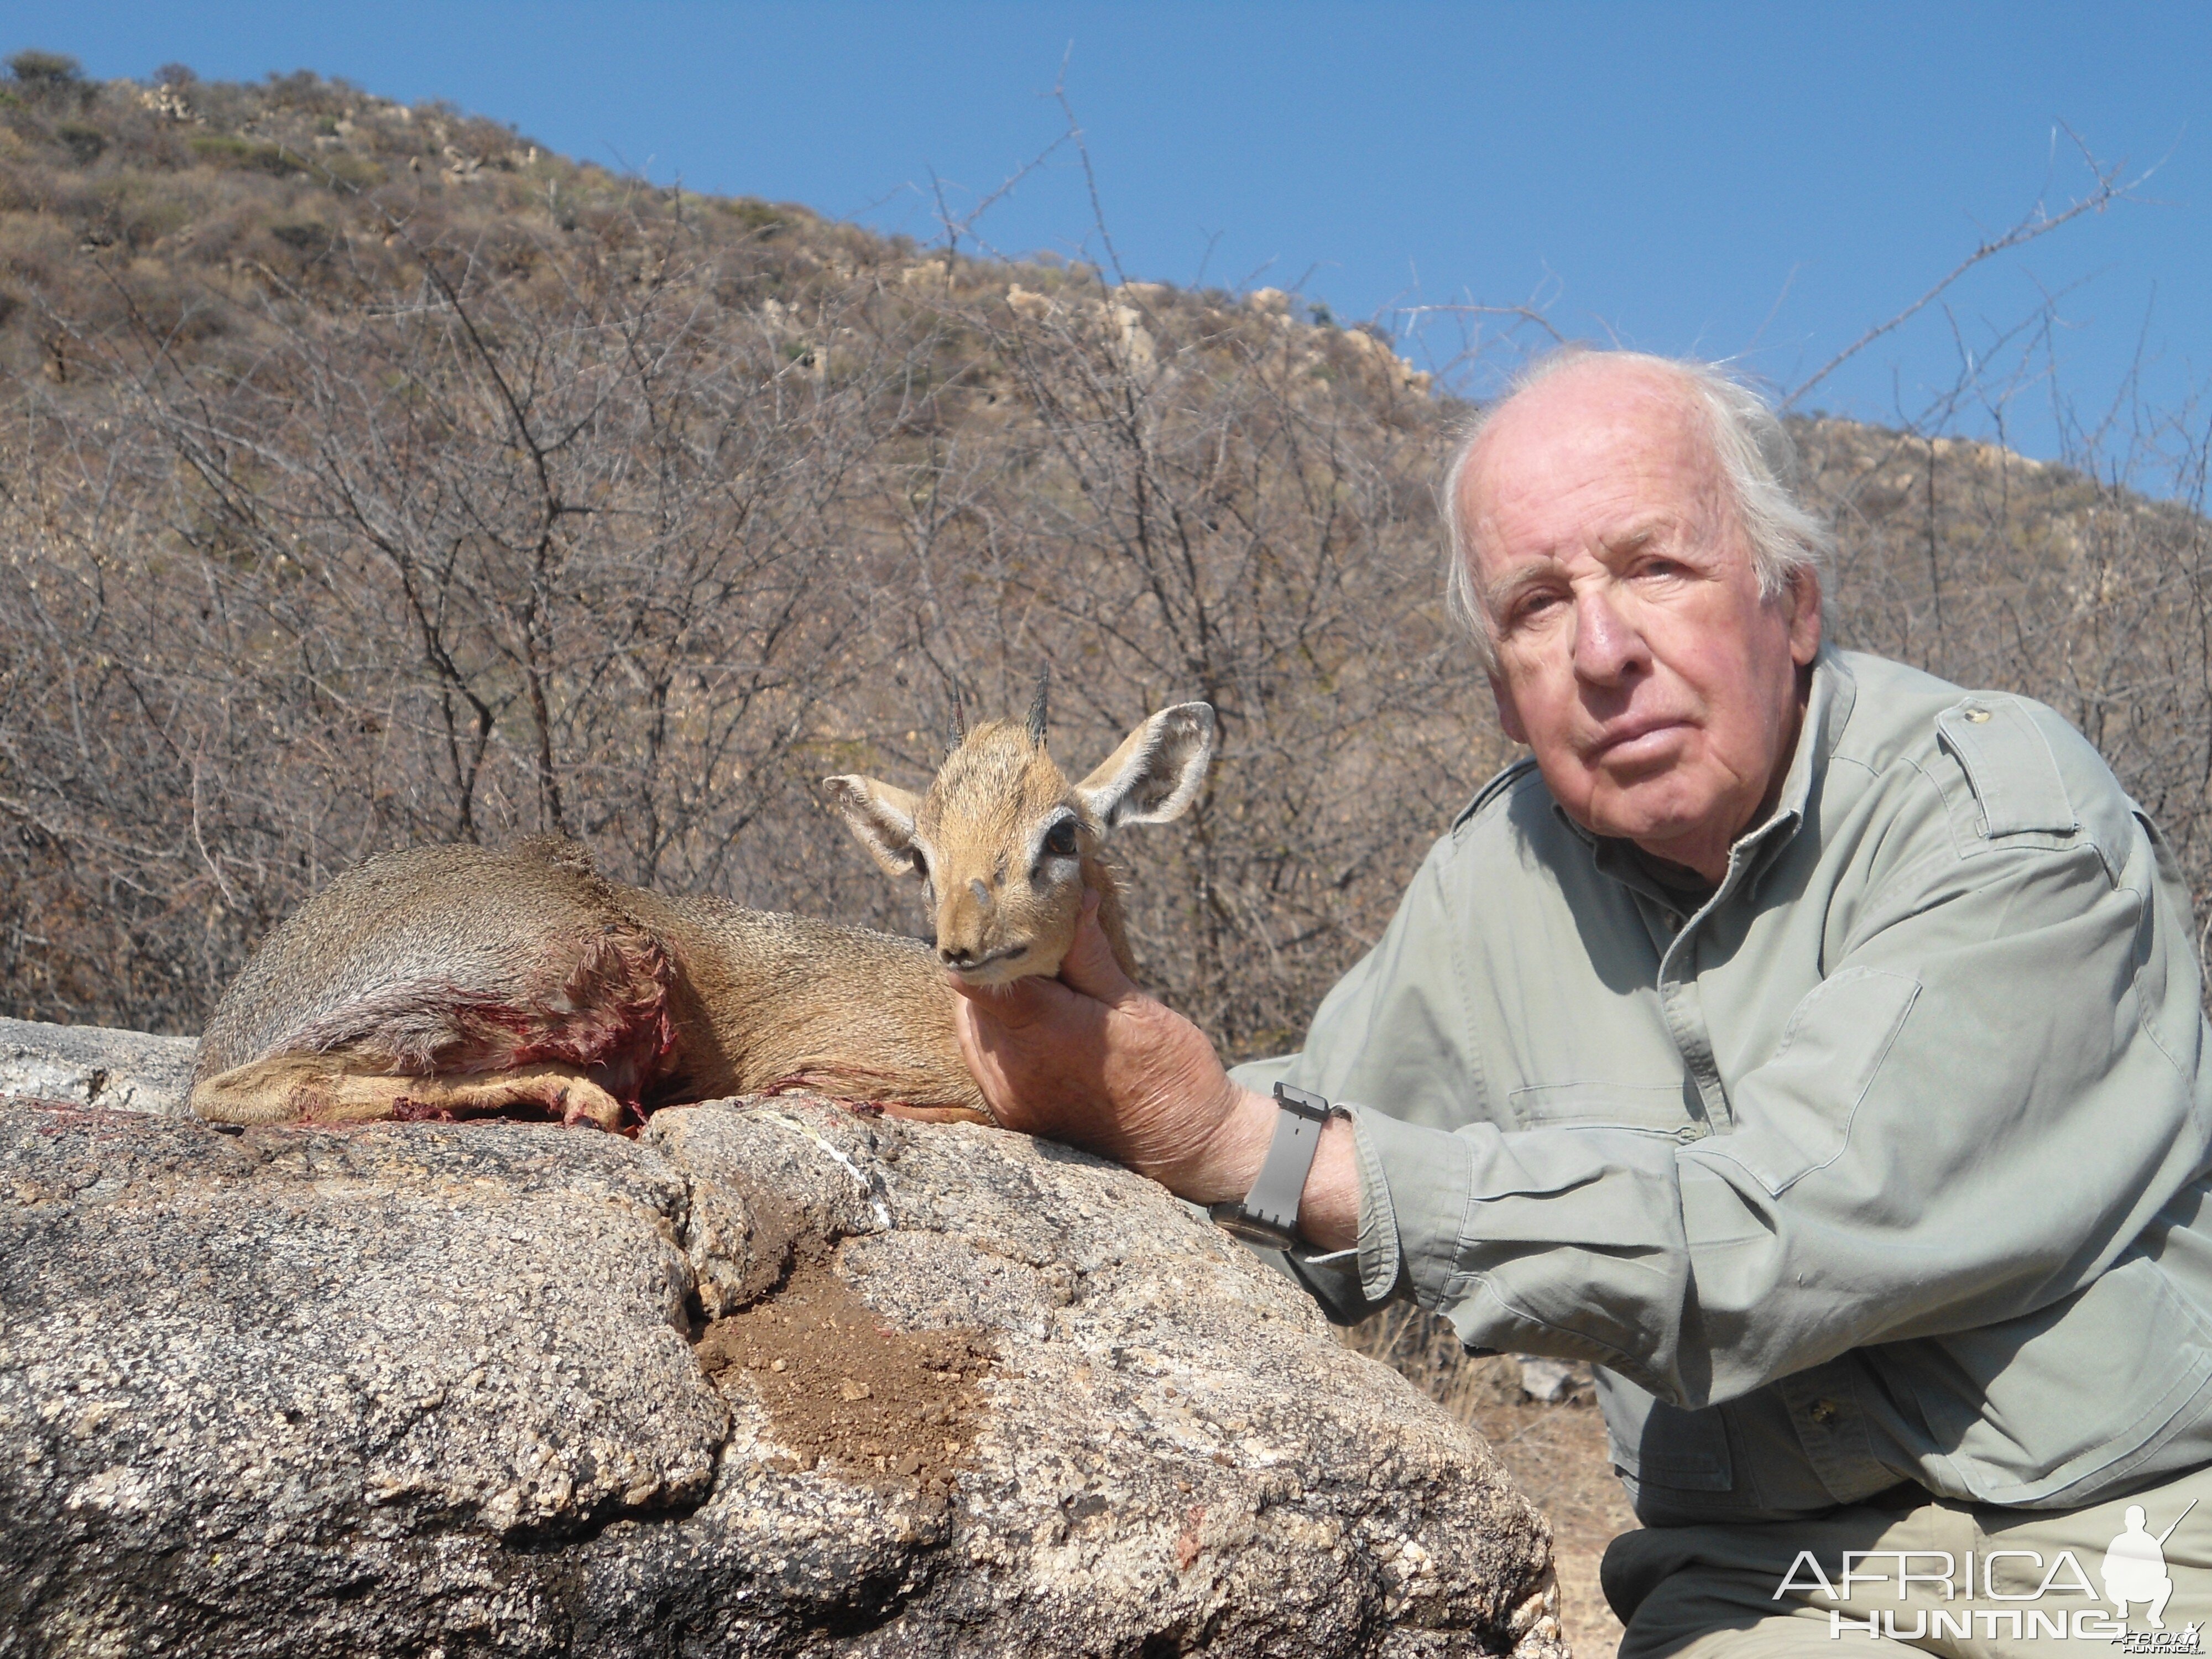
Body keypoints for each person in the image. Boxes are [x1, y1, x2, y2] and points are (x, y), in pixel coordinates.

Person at [950, 348, 2212, 1655]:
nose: (1602, 652)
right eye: (1537, 605)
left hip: (2125, 1545)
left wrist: (1232, 1140)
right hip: (1761, 1584)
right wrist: (1062, 1067)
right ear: (1503, 693)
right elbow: (1293, 1151)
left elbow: (1764, 1242)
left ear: (1792, 606)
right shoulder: (1491, 882)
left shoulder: (2002, 819)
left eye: (1655, 568)